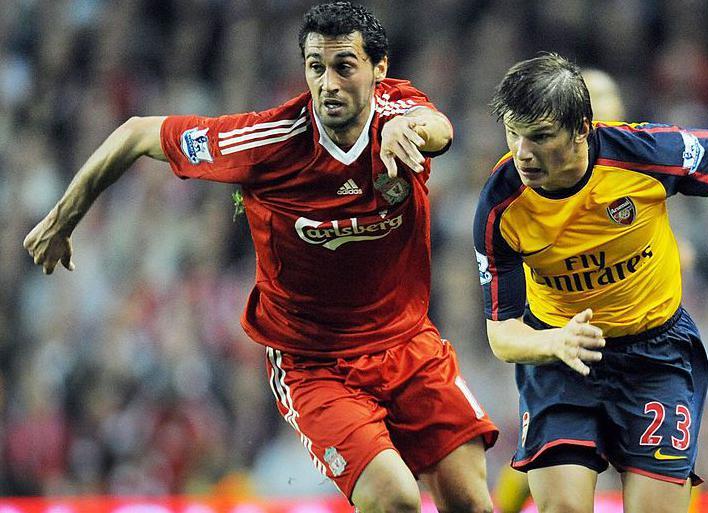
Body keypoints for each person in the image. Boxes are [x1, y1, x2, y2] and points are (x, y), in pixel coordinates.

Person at [23, 2, 498, 512]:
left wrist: (414, 132)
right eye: (316, 67)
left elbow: (437, 126)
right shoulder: (266, 141)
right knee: (396, 498)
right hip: (315, 365)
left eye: (345, 66)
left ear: (379, 70)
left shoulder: (401, 112)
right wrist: (63, 217)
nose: (329, 83)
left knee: (472, 503)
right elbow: (138, 132)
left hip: (408, 345)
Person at [473, 53, 708, 513]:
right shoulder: (500, 204)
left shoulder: (641, 155)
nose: (522, 153)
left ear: (582, 129)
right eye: (514, 133)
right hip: (563, 357)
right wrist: (555, 343)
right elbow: (501, 332)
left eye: (540, 136)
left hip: (656, 356)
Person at [491, 67, 627, 513]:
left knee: (670, 462)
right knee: (548, 469)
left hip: (632, 344)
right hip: (556, 340)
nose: (604, 106)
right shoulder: (520, 187)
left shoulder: (632, 168)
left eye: (609, 97)